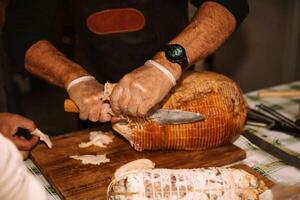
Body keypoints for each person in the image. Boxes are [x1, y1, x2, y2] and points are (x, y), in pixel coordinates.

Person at [3, 0, 249, 123]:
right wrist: (75, 78)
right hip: (96, 101)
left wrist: (165, 66)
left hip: (173, 93)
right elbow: (21, 33)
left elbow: (230, 3)